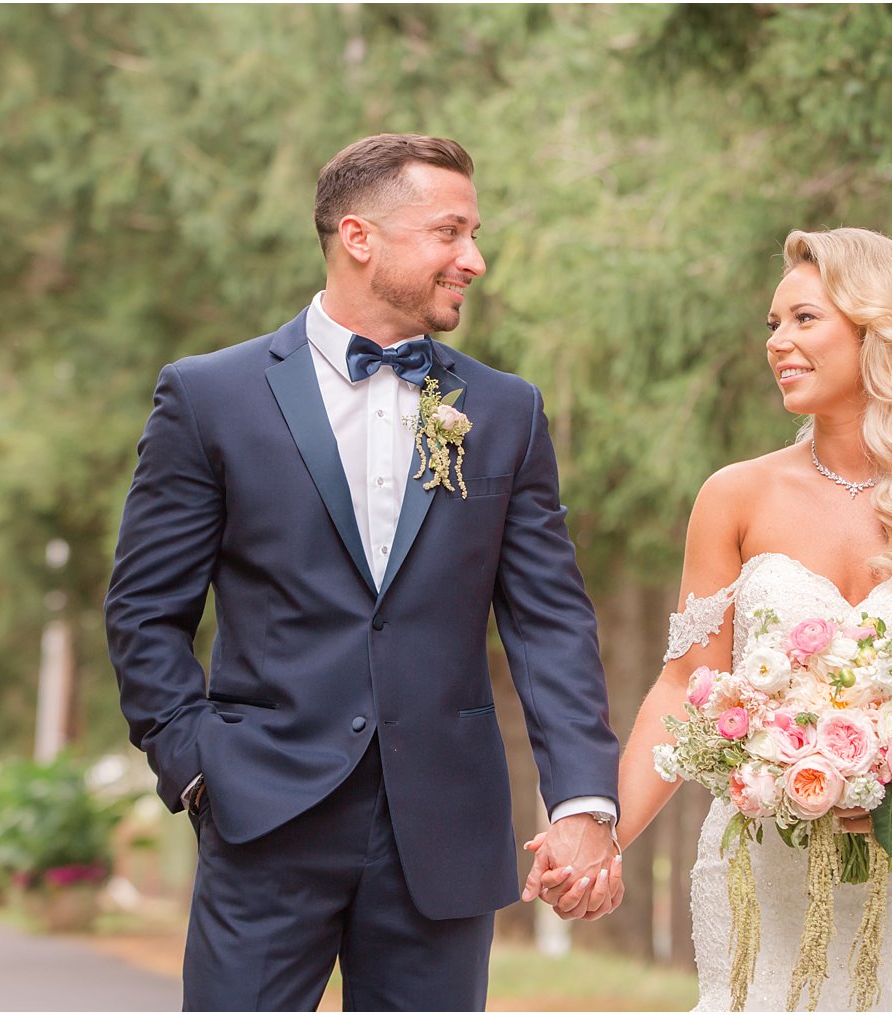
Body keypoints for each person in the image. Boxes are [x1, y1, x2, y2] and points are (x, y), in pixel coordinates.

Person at [105, 133, 623, 1012]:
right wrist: (197, 767)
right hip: (263, 814)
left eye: (474, 233)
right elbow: (145, 611)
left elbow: (550, 624)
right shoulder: (209, 396)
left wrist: (583, 800)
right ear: (360, 237)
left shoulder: (505, 410)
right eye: (450, 232)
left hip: (443, 828)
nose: (475, 259)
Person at [528, 227, 892, 1010]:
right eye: (773, 324)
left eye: (804, 320)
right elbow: (685, 685)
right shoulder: (734, 496)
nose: (778, 342)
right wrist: (605, 836)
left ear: (879, 330)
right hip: (763, 878)